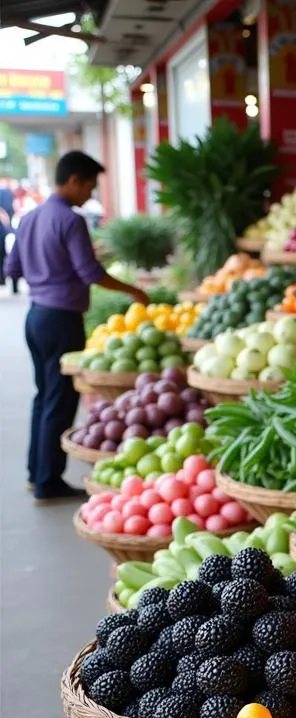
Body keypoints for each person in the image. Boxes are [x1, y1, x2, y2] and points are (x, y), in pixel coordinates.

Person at [5, 151, 150, 504]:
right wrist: (135, 291)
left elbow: (12, 268)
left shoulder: (30, 218)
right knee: (60, 398)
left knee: (44, 395)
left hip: (36, 315)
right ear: (74, 180)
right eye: (89, 185)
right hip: (61, 320)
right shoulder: (70, 220)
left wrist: (48, 270)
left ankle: (35, 472)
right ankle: (48, 482)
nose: (90, 194)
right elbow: (90, 273)